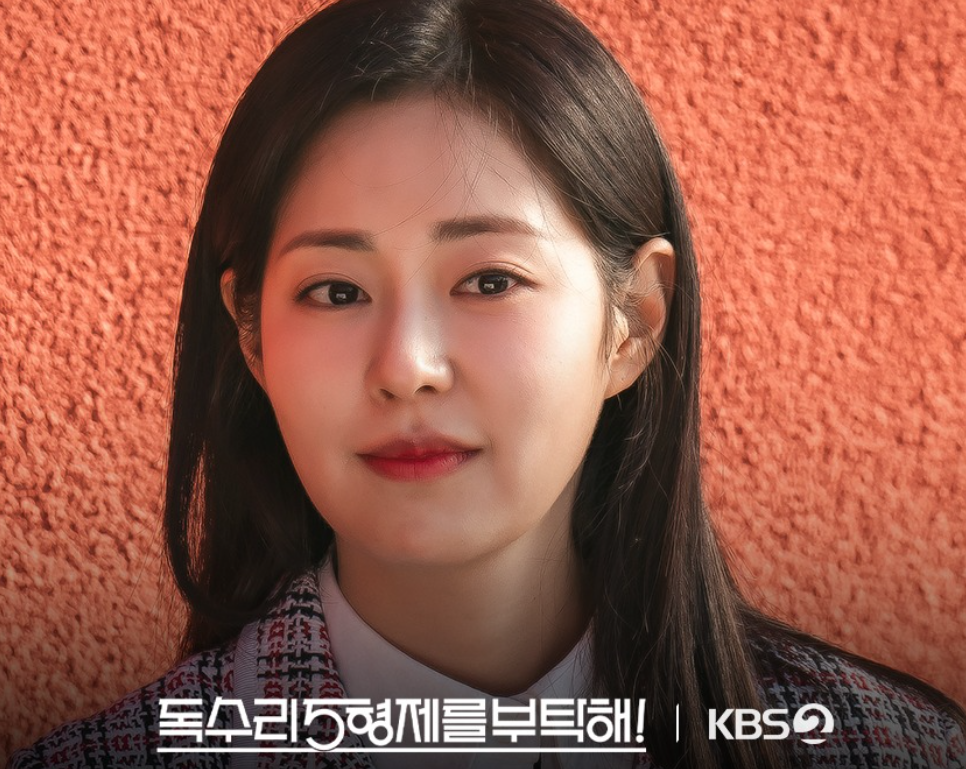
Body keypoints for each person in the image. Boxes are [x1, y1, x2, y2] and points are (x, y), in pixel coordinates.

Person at [9, 0, 965, 767]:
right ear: (252, 336)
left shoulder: (890, 750)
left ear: (635, 319)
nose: (406, 366)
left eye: (490, 281)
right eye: (336, 290)